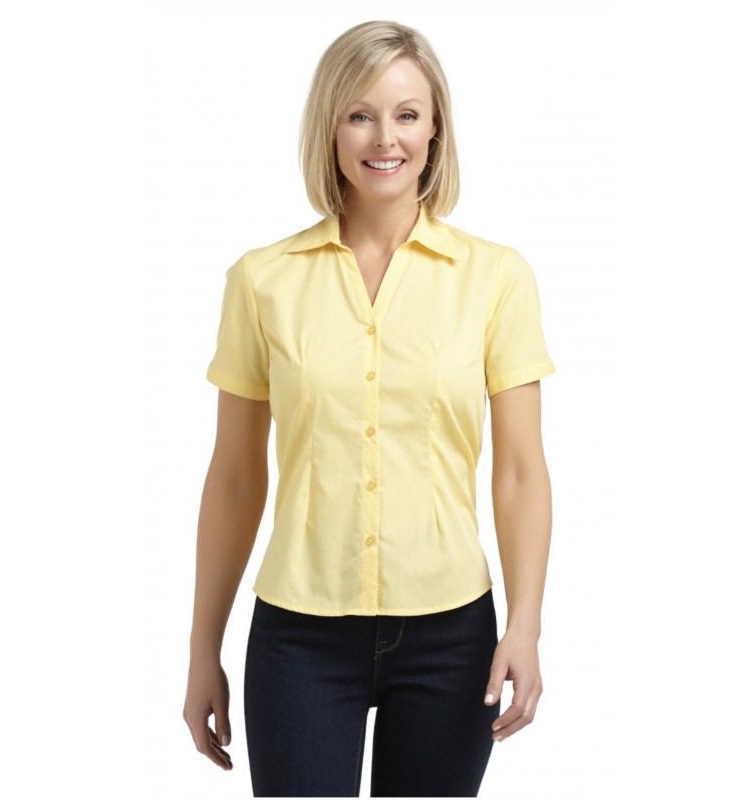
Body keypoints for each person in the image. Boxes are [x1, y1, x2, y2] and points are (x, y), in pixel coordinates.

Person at [183, 19, 556, 797]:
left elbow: (521, 471)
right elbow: (235, 478)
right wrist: (201, 650)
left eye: (407, 114)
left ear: (435, 128)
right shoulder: (261, 281)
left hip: (452, 635)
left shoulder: (496, 278)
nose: (385, 138)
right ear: (329, 127)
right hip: (300, 636)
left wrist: (525, 624)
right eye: (360, 114)